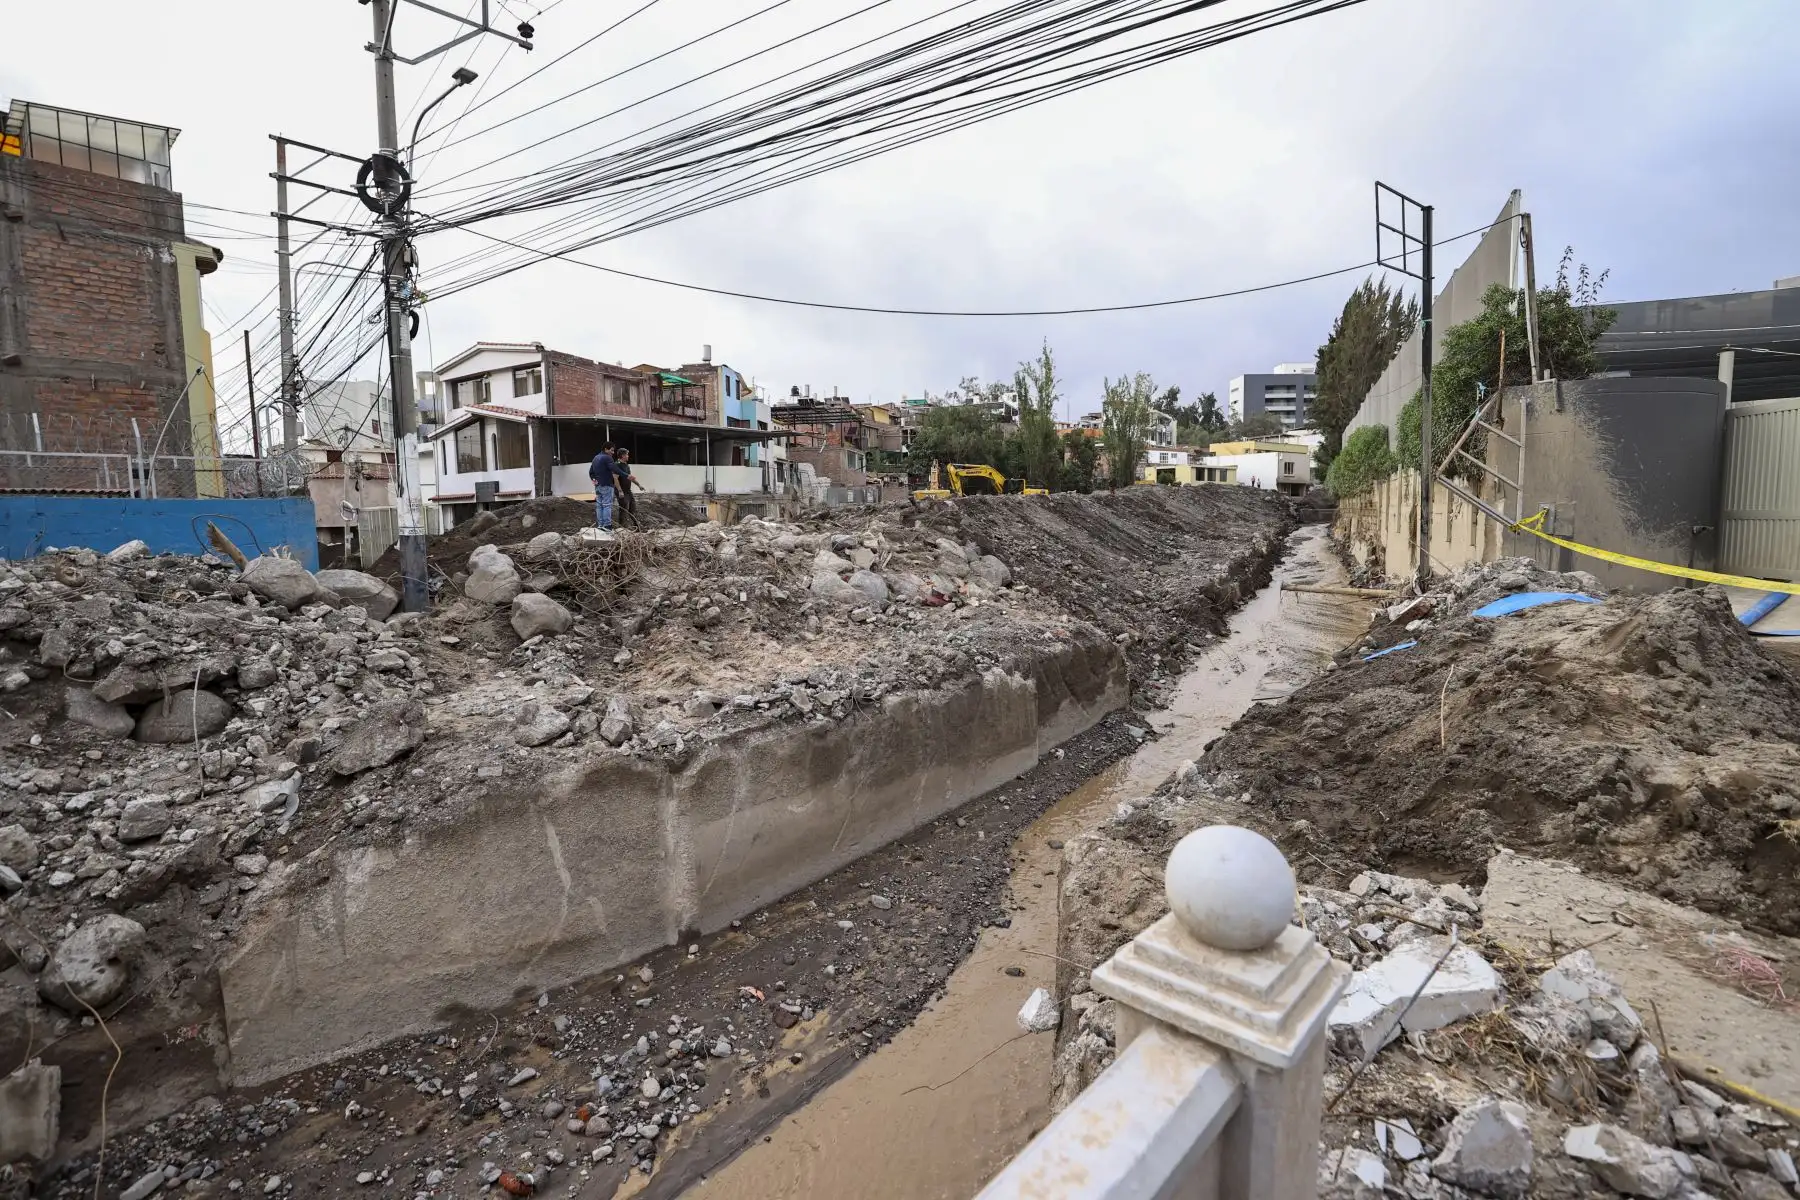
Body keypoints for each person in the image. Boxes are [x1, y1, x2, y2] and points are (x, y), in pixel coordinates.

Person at [613, 447, 650, 527]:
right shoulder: (617, 465)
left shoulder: (626, 465)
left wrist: (639, 485)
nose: (628, 456)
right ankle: (621, 528)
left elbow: (630, 477)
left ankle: (637, 527)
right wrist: (620, 491)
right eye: (627, 454)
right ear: (623, 455)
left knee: (632, 508)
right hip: (621, 491)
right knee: (624, 508)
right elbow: (615, 478)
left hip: (628, 490)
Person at [588, 444, 617, 529]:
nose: (613, 452)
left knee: (599, 506)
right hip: (607, 485)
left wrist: (594, 479)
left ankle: (600, 525)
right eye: (611, 450)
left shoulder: (595, 458)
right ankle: (607, 526)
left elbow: (591, 472)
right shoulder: (607, 458)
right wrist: (626, 475)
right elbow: (614, 469)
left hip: (598, 486)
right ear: (606, 449)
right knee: (607, 505)